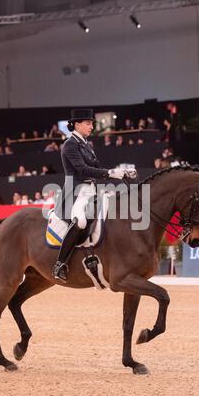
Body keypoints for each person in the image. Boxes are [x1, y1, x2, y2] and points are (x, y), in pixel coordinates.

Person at [53, 108, 130, 282]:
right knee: (80, 221)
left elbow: (97, 168)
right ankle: (60, 263)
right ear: (77, 124)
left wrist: (117, 173)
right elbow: (82, 170)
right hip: (76, 191)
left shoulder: (86, 145)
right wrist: (111, 173)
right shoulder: (70, 144)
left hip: (91, 190)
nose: (91, 127)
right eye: (88, 123)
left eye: (92, 124)